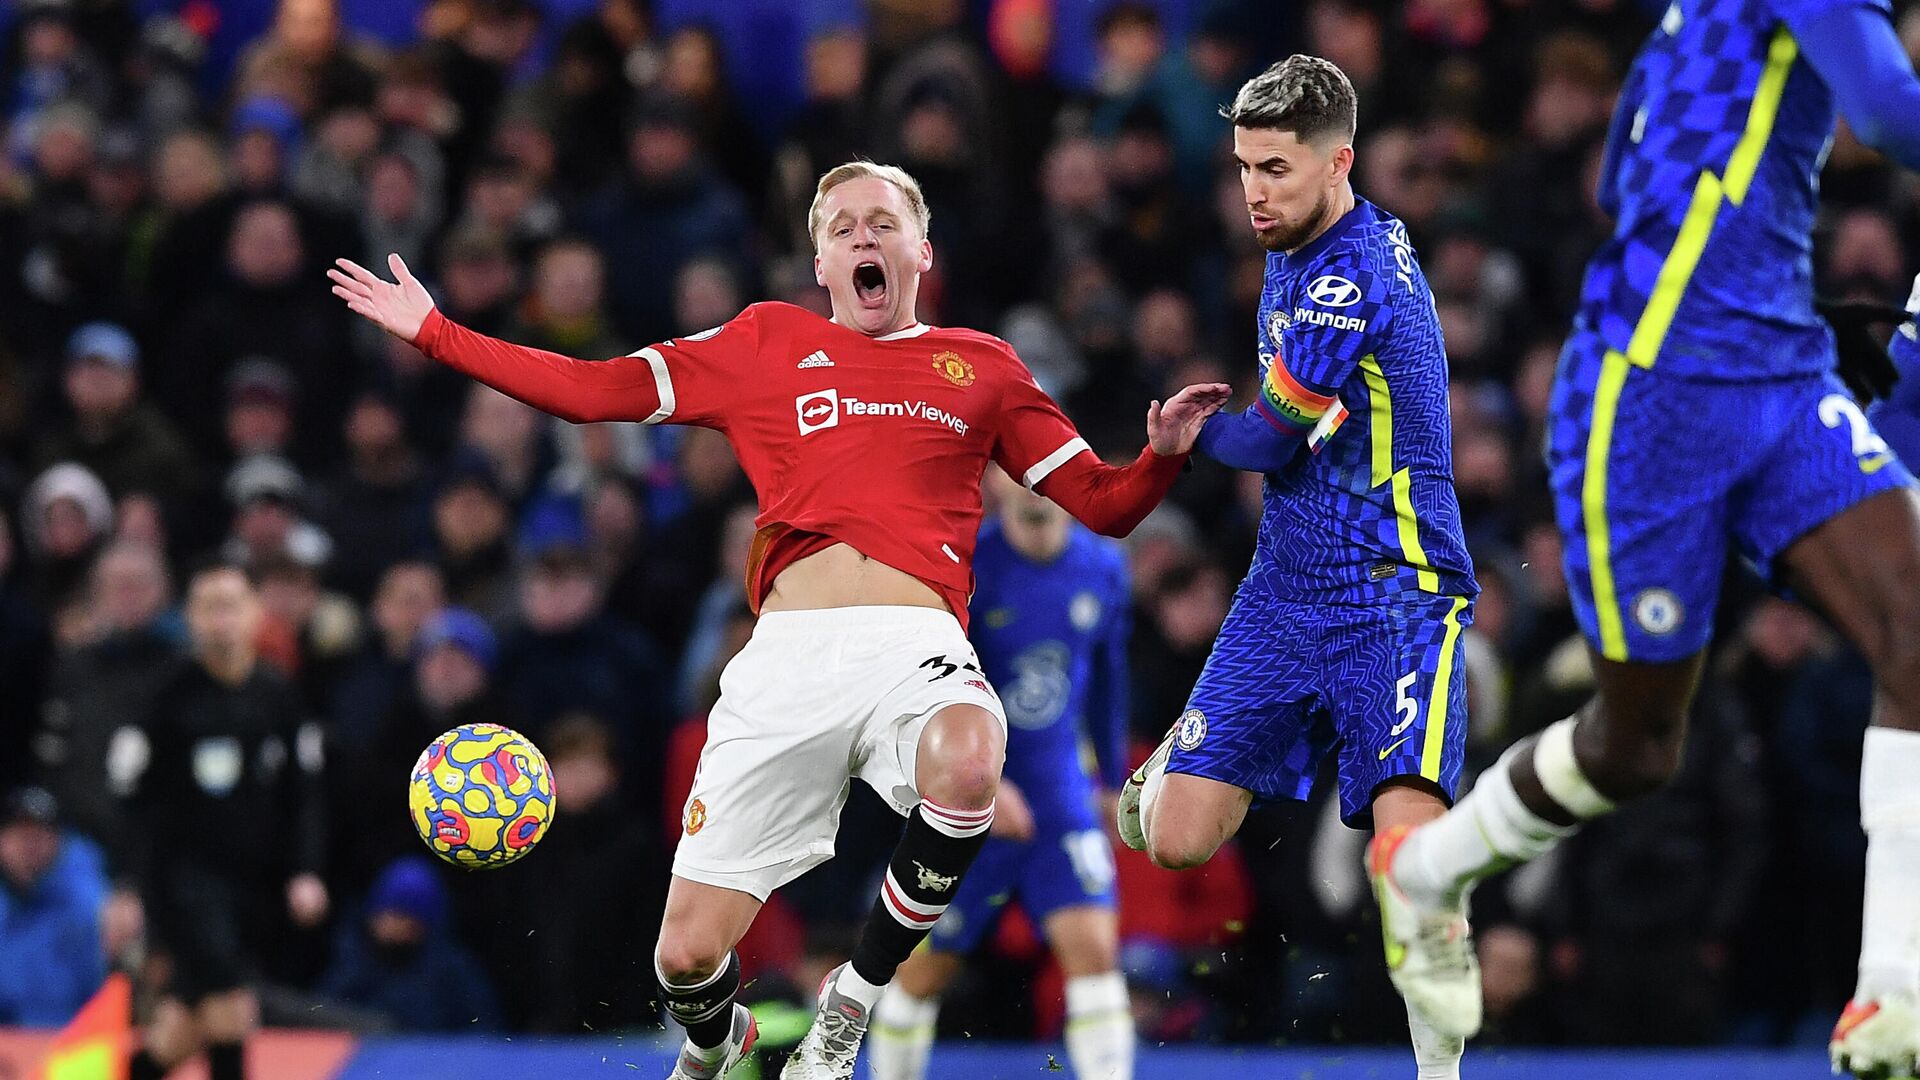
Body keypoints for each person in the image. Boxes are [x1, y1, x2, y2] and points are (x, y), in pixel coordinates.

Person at [326, 159, 1228, 1080]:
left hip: (914, 648)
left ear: (923, 250)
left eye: (883, 222)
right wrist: (436, 333)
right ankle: (722, 1043)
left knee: (970, 761)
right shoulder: (764, 343)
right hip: (785, 664)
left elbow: (1104, 505)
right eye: (843, 229)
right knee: (684, 959)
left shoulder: (982, 368)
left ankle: (852, 1000)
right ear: (821, 264)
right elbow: (591, 389)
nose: (864, 238)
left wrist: (1157, 458)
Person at [1355, 4, 1920, 1077]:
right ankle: (1428, 870)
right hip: (1645, 396)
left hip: (1776, 373)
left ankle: (1890, 997)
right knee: (1636, 745)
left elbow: (1623, 168)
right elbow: (1890, 112)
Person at [1114, 56, 1478, 1080]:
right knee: (1178, 838)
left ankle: (1440, 1073)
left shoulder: (1341, 274)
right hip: (1284, 591)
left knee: (1408, 853)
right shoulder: (1312, 233)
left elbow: (1269, 442)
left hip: (1398, 593)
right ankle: (1178, 761)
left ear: (1339, 162)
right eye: (1241, 168)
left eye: (1274, 168)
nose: (1254, 192)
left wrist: (1186, 439)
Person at [870, 467, 1135, 1080]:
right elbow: (930, 683)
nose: (1036, 483)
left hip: (1059, 793)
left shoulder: (1103, 567)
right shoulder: (967, 566)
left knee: (1095, 952)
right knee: (920, 972)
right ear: (992, 479)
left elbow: (1107, 683)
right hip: (968, 795)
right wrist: (982, 779)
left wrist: (1112, 778)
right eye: (1020, 469)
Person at [114, 562, 329, 1080]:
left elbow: (304, 792)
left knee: (181, 1031)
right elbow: (129, 800)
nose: (220, 619)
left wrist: (306, 869)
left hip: (251, 890)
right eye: (208, 607)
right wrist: (127, 887)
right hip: (184, 887)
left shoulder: (279, 696)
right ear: (190, 618)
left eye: (231, 604)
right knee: (232, 1007)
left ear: (256, 614)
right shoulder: (165, 699)